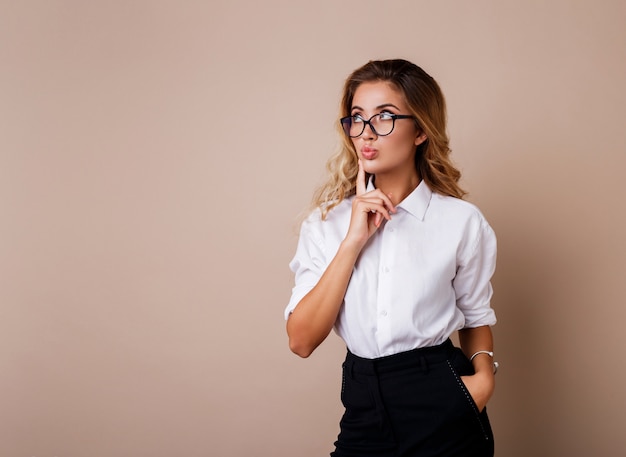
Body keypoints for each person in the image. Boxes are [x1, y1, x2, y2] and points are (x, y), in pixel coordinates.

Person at [284, 59, 498, 457]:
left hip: (442, 394)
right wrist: (352, 242)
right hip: (365, 401)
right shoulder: (327, 224)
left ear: (420, 130)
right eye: (357, 118)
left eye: (384, 117)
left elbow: (475, 315)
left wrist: (483, 381)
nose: (366, 133)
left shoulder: (461, 222)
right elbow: (301, 340)